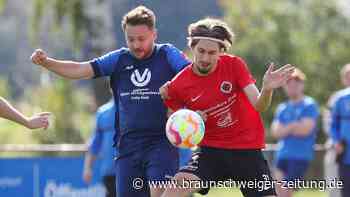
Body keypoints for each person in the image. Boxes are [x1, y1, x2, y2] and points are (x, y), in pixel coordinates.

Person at [31, 6, 190, 197]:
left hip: (161, 144)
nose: (136, 45)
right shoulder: (118, 59)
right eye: (131, 39)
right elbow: (80, 69)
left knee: (159, 194)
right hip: (127, 148)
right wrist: (47, 62)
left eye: (141, 39)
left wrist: (174, 94)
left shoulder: (167, 54)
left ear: (154, 34)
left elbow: (191, 75)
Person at [159, 18, 294, 197]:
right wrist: (192, 118)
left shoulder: (234, 65)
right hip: (211, 151)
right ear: (192, 48)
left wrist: (267, 89)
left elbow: (259, 106)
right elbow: (174, 123)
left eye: (212, 52)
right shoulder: (178, 85)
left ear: (221, 51)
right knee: (176, 186)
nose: (205, 58)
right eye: (201, 51)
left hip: (247, 149)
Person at [270, 68, 319, 197]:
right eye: (289, 84)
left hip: (300, 156)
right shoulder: (283, 107)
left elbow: (305, 130)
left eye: (296, 84)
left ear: (302, 85)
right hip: (282, 155)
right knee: (277, 191)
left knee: (286, 192)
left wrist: (286, 128)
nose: (292, 87)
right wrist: (294, 125)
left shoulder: (309, 105)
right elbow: (275, 132)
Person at [322, 65, 350, 197]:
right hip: (344, 154)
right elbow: (331, 123)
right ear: (343, 79)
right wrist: (336, 141)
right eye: (347, 76)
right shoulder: (339, 98)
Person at [82, 99, 117, 197]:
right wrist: (87, 168)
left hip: (132, 171)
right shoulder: (103, 112)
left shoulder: (132, 109)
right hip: (110, 172)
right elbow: (95, 144)